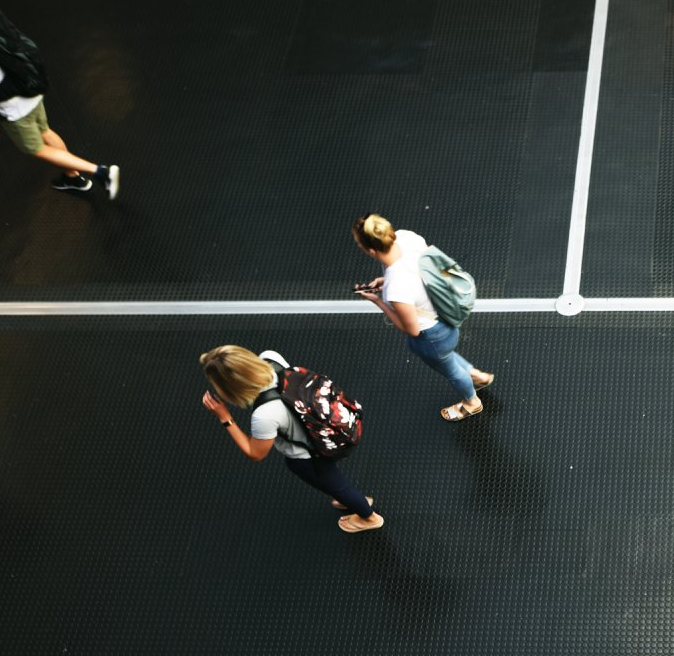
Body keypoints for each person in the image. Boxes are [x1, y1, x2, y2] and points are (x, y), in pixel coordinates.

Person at [0, 0, 119, 197]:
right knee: (44, 130)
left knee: (33, 148)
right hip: (27, 81)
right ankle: (73, 177)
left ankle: (101, 172)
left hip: (12, 101)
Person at [198, 345, 384, 534]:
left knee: (336, 486)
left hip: (309, 456)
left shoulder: (264, 415)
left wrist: (225, 418)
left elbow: (255, 453)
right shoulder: (271, 358)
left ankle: (368, 516)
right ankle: (350, 499)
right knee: (335, 482)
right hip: (328, 433)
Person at [352, 214, 493, 421]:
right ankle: (476, 376)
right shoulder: (406, 237)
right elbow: (426, 269)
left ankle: (472, 402)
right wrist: (386, 282)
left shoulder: (396, 286)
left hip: (433, 335)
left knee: (451, 370)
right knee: (447, 357)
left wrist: (378, 301)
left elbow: (412, 329)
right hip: (446, 312)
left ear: (371, 250)